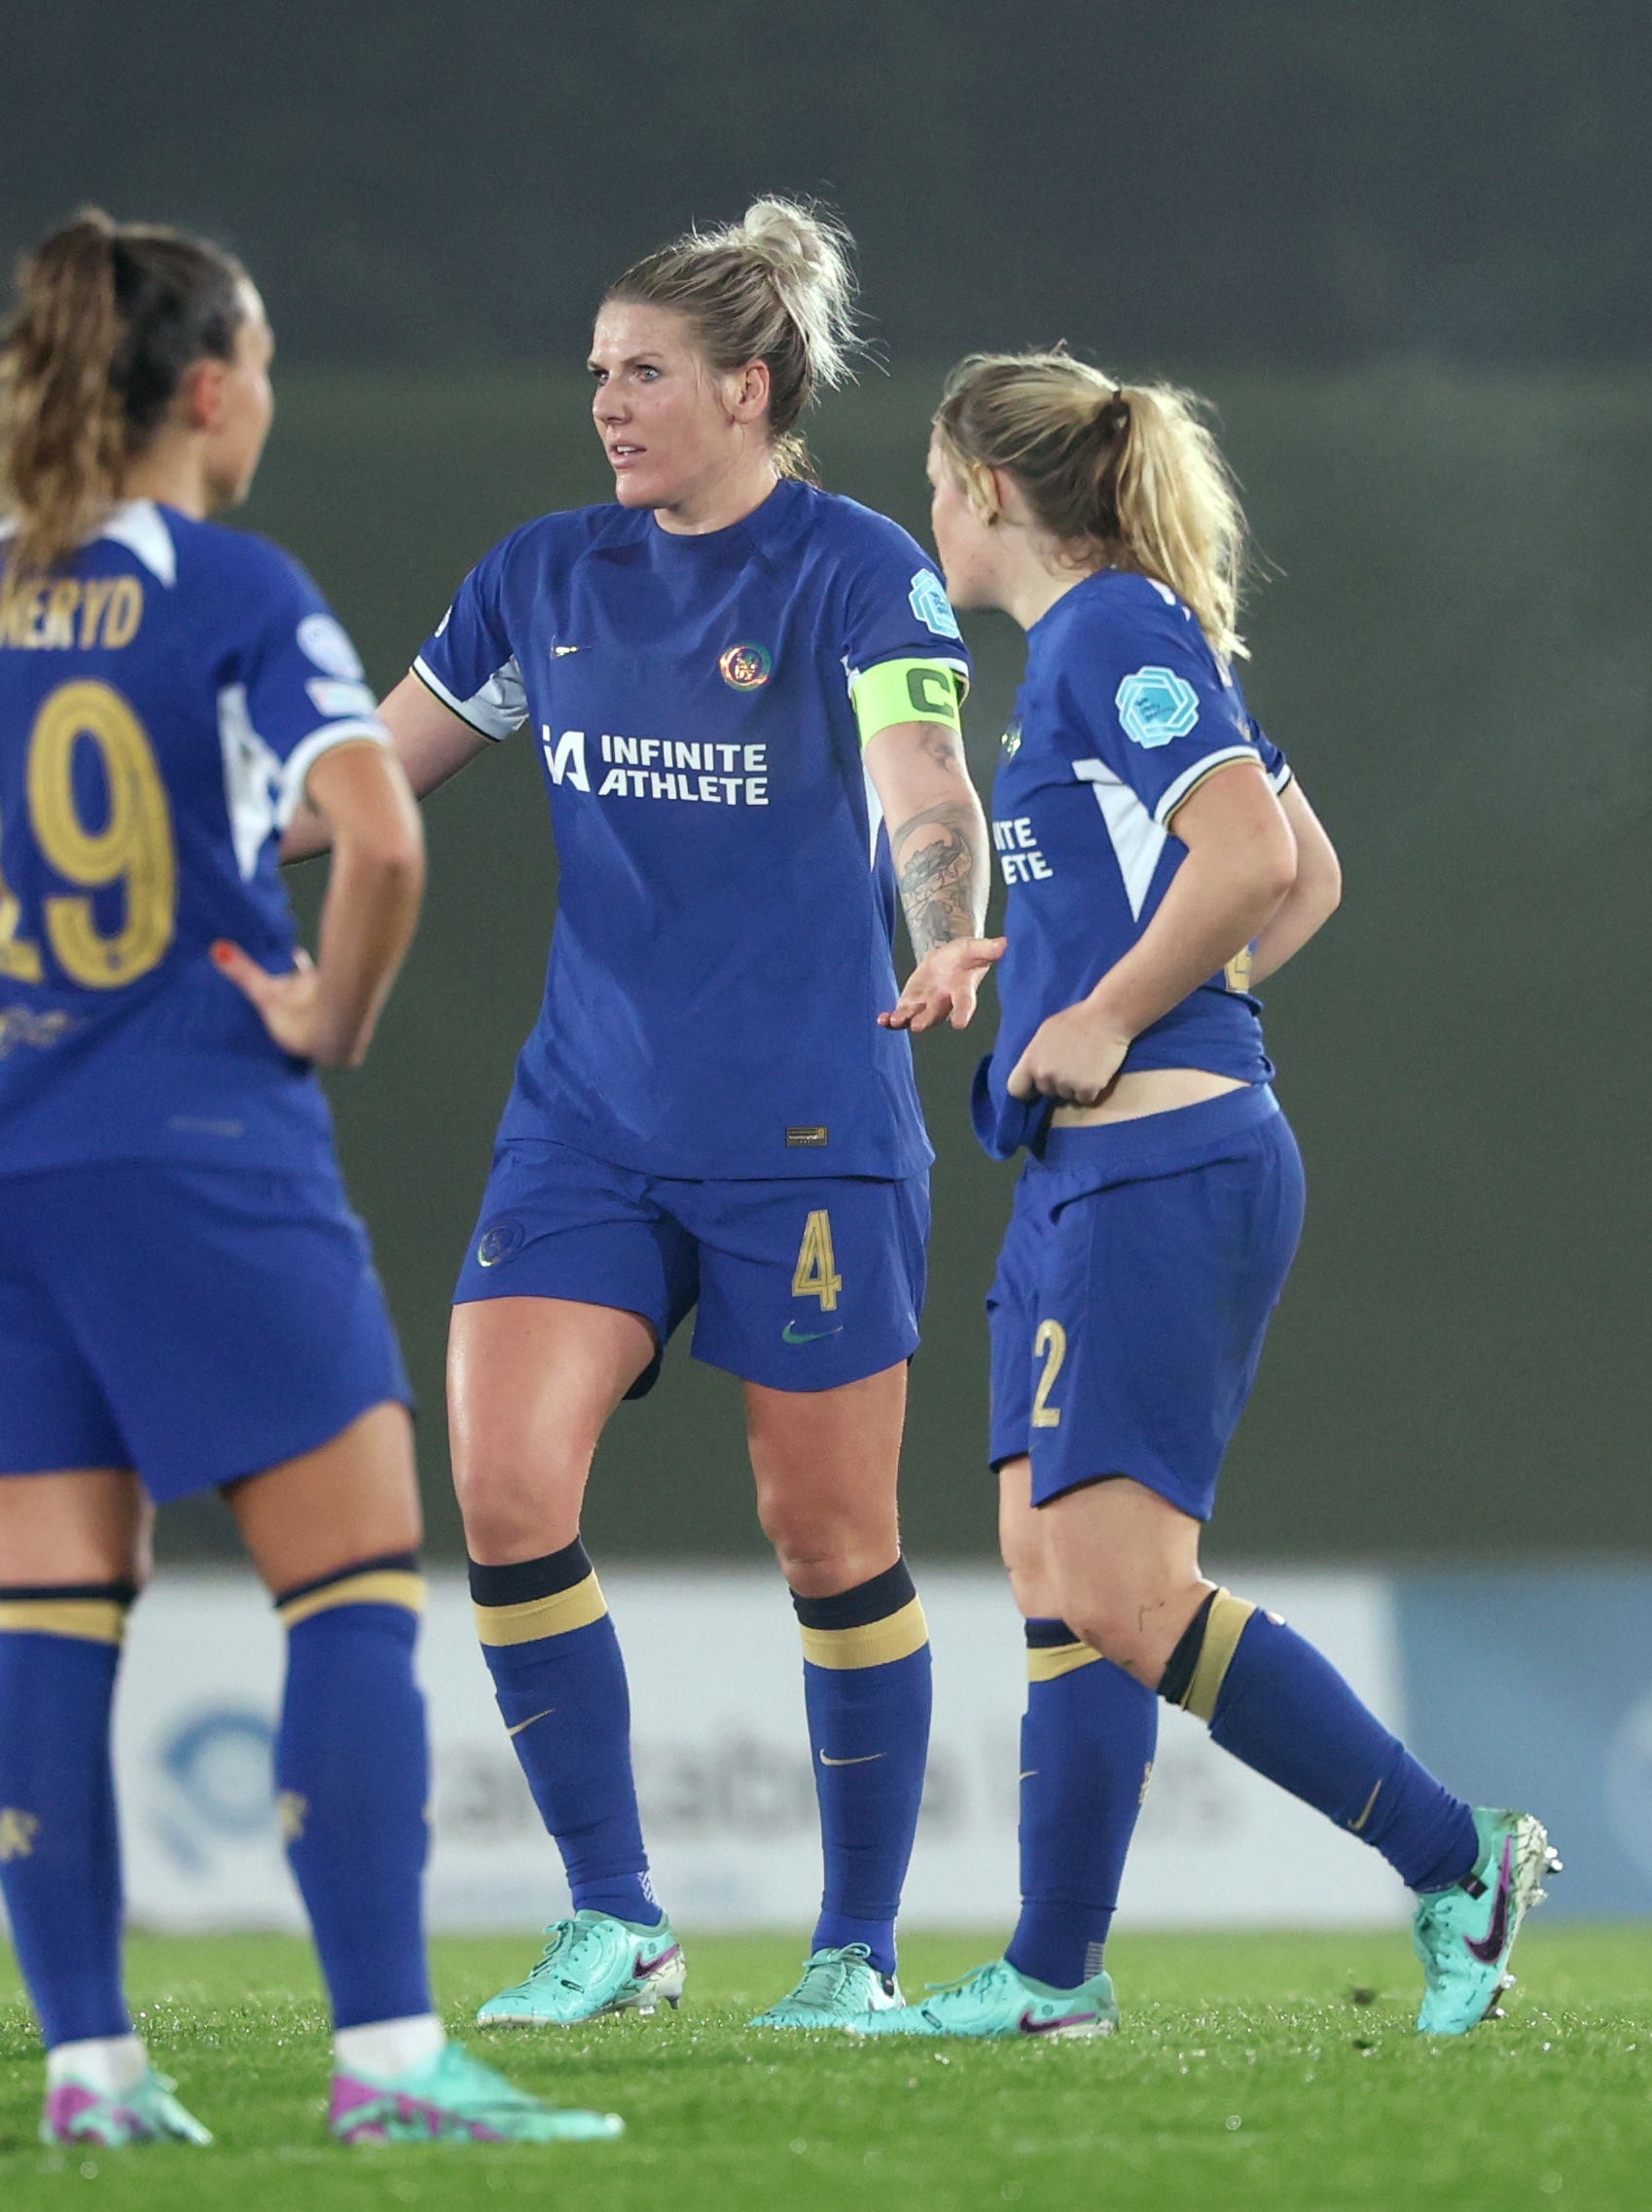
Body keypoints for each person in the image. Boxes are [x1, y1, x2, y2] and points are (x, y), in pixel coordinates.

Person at [0, 211, 617, 2150]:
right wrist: (331, 1019)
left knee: (51, 1601)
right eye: (262, 364)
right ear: (205, 389)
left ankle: (91, 2074)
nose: (266, 396)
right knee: (353, 1578)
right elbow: (376, 838)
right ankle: (384, 2060)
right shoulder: (225, 588)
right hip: (192, 1139)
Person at [850, 348, 1555, 2042]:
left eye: (936, 479)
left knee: (1121, 1584)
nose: (926, 510)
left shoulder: (1108, 625)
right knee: (1050, 1564)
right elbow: (1297, 870)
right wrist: (1072, 970)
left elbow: (1248, 858)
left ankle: (1459, 1859)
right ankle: (1049, 1973)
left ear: (992, 490)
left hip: (1162, 1161)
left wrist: (1115, 1009)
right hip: (1089, 1175)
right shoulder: (1102, 650)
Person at [372, 199, 997, 2033]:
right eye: (594, 375)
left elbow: (921, 777)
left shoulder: (855, 567)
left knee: (827, 1539)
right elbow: (361, 780)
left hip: (805, 1129)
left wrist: (950, 936)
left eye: (641, 373)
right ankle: (614, 1919)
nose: (607, 406)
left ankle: (850, 1953)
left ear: (750, 384)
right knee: (499, 1488)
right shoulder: (540, 576)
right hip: (586, 1123)